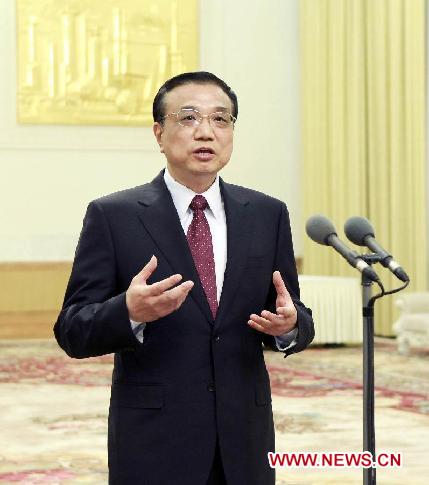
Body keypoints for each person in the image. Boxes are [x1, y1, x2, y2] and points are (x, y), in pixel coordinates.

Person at [54, 71, 314, 485]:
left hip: (244, 437)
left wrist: (291, 326)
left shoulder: (267, 214)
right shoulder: (114, 216)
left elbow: (290, 311)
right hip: (155, 441)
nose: (206, 132)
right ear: (159, 134)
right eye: (189, 118)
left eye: (221, 120)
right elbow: (72, 329)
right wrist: (129, 311)